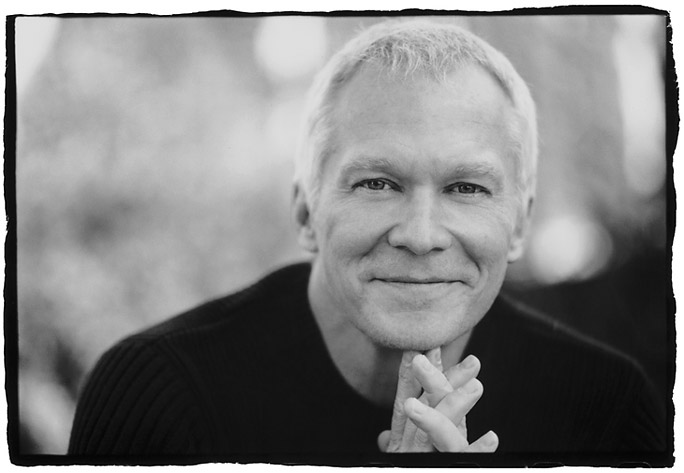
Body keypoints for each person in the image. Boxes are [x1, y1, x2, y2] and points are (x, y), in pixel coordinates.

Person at [67, 20, 666, 462]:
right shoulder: (160, 396)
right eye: (378, 183)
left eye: (466, 188)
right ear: (306, 209)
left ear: (519, 223)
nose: (422, 236)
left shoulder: (605, 408)